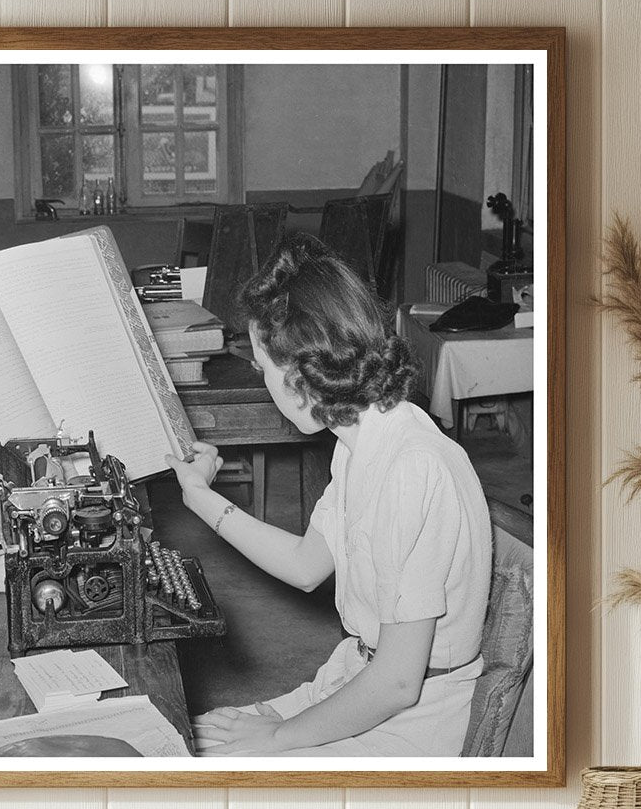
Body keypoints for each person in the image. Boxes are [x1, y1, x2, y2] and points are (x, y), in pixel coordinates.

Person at [165, 234, 492, 758]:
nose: (263, 381)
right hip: (353, 678)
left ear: (298, 378)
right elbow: (305, 563)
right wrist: (199, 494)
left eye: (261, 367)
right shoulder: (361, 438)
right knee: (181, 745)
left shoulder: (411, 467)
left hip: (412, 719)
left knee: (213, 780)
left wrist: (275, 735)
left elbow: (398, 683)